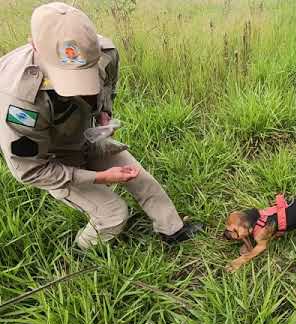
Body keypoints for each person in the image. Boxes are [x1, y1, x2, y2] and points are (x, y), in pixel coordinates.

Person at [0, 2, 202, 250]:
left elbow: (108, 86)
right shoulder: (19, 99)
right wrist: (98, 177)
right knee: (114, 214)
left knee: (141, 178)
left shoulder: (104, 51)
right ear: (34, 45)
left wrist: (104, 114)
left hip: (85, 136)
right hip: (53, 157)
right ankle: (81, 255)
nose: (81, 88)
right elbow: (31, 171)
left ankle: (173, 231)